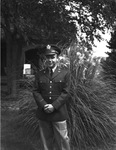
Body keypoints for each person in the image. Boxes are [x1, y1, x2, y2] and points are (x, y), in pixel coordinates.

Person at [33, 44, 70, 150]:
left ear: (57, 57)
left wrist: (53, 106)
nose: (50, 60)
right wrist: (44, 105)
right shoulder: (39, 74)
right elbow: (35, 91)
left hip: (59, 113)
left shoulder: (65, 73)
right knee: (46, 141)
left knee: (63, 141)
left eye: (52, 57)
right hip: (43, 113)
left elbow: (66, 92)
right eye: (47, 57)